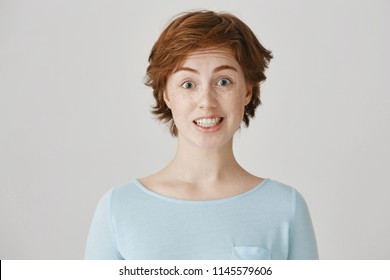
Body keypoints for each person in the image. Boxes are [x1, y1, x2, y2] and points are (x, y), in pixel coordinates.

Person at [84, 10, 318, 260]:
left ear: (247, 91)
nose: (206, 101)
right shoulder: (119, 208)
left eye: (223, 82)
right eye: (188, 84)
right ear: (166, 94)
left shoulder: (285, 208)